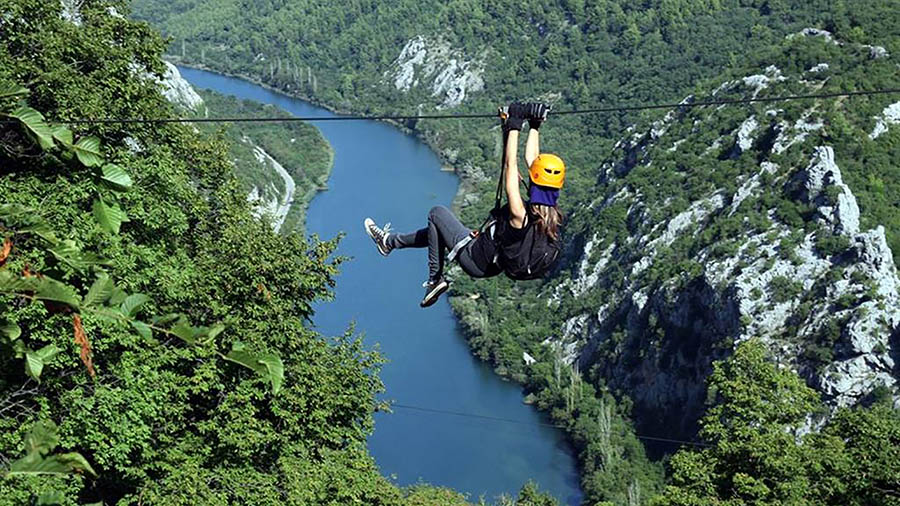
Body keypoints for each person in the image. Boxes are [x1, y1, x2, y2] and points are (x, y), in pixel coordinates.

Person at [364, 102, 565, 307]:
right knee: (439, 231)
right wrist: (534, 124)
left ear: (535, 180)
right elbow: (532, 159)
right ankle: (388, 242)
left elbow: (510, 166)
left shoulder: (519, 213)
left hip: (474, 258)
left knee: (437, 214)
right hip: (492, 258)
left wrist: (514, 123)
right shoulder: (552, 215)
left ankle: (435, 279)